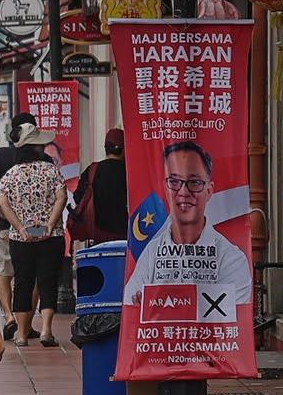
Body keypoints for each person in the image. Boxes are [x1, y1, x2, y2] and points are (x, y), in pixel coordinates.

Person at [123, 141, 253, 308]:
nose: (183, 192)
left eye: (194, 183)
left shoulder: (232, 259)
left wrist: (156, 307)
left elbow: (232, 319)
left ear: (209, 190)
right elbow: (131, 307)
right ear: (166, 189)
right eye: (174, 182)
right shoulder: (151, 254)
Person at [0, 124, 67, 347]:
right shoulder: (51, 170)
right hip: (51, 235)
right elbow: (61, 197)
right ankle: (46, 330)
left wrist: (20, 228)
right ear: (36, 146)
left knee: (23, 282)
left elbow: (3, 204)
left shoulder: (10, 174)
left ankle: (21, 335)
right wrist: (49, 225)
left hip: (21, 238)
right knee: (47, 280)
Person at [0, 112, 39, 341]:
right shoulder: (41, 157)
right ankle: (27, 325)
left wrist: (2, 209)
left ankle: (8, 318)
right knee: (32, 274)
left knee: (4, 271)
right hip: (35, 228)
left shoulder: (0, 155)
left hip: (5, 225)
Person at [74, 128, 128, 242]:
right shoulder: (130, 173)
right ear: (124, 149)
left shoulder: (92, 170)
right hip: (126, 234)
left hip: (98, 234)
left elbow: (78, 197)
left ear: (105, 148)